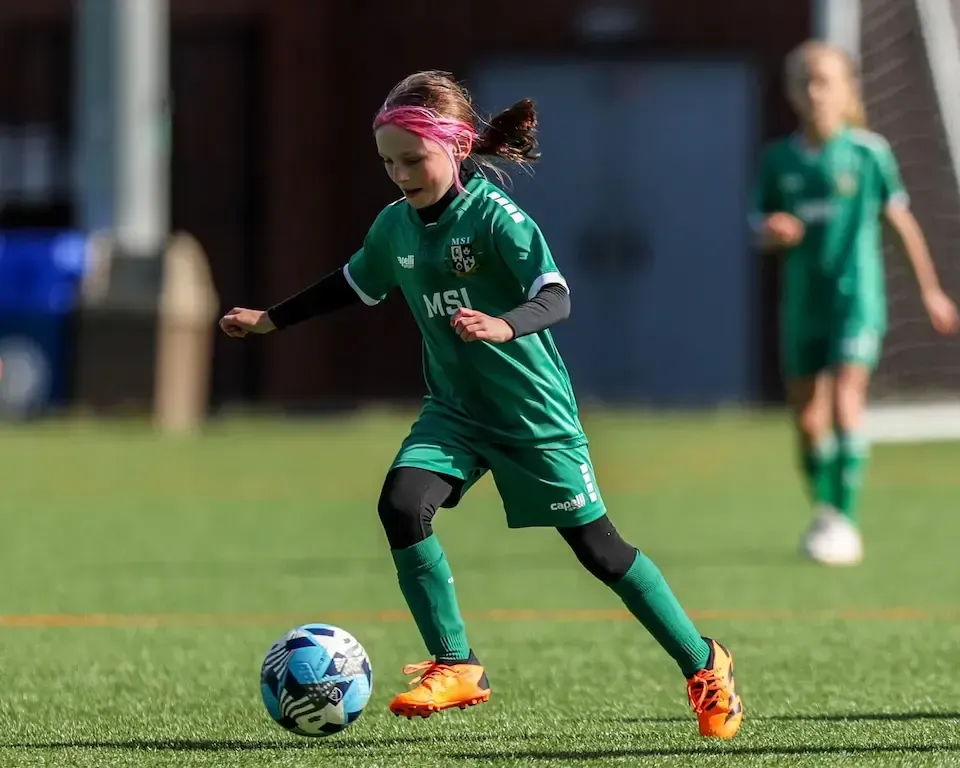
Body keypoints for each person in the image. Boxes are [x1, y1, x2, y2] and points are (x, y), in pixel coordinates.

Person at [220, 70, 742, 739]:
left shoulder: (497, 218)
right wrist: (271, 320)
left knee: (599, 551)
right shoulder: (394, 228)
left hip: (532, 416)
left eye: (414, 159)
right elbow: (354, 283)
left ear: (459, 148)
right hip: (456, 412)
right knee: (402, 505)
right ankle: (456, 663)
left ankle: (705, 663)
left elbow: (556, 295)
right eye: (388, 163)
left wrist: (505, 324)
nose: (401, 175)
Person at [755, 41, 959, 566]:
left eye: (825, 80)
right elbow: (759, 227)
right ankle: (827, 512)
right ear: (792, 93)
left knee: (847, 404)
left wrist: (930, 290)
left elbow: (901, 222)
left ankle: (842, 520)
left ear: (846, 89)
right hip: (804, 304)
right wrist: (775, 232)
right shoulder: (778, 160)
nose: (815, 90)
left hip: (857, 299)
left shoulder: (868, 153)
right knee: (807, 424)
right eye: (805, 81)